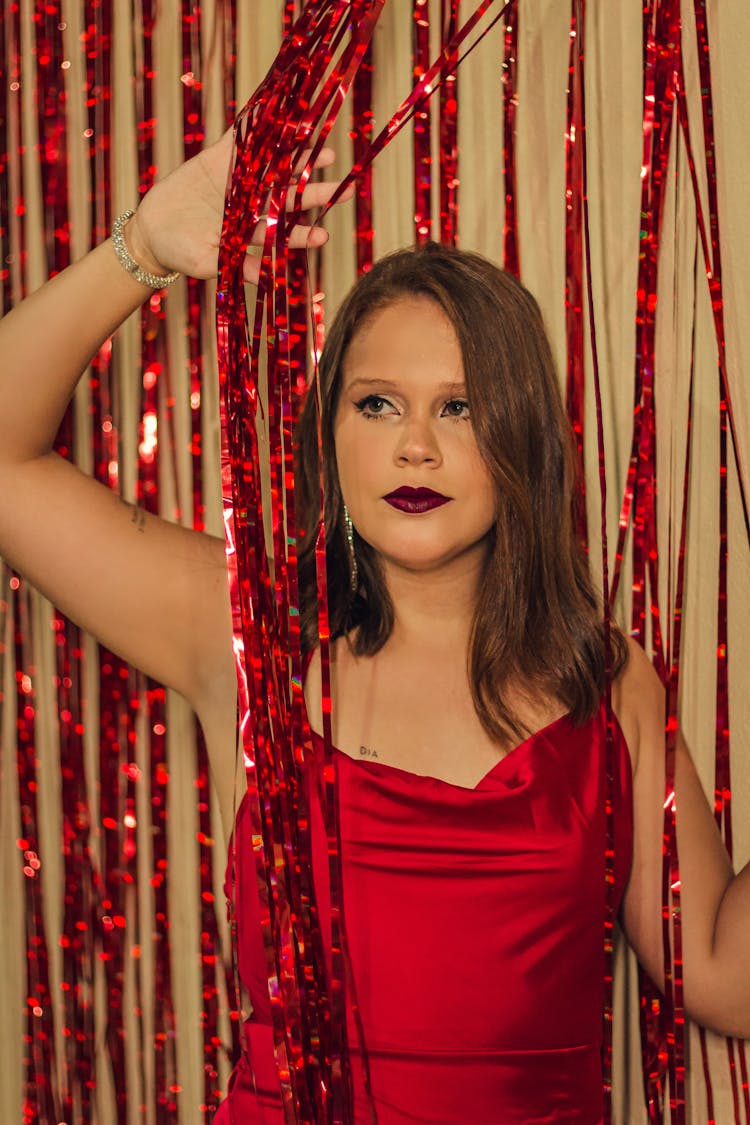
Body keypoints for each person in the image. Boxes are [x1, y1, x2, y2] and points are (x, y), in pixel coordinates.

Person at [0, 126, 748, 1125]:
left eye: (462, 408)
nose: (415, 447)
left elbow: (719, 974)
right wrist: (147, 246)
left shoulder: (606, 685)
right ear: (330, 433)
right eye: (378, 404)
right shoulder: (243, 637)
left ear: (523, 435)